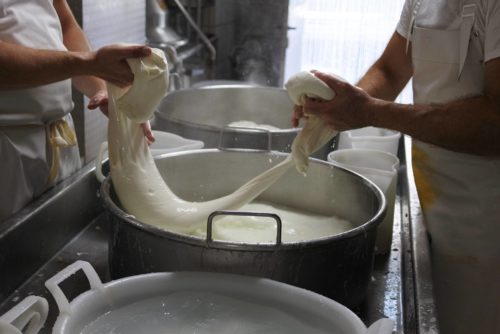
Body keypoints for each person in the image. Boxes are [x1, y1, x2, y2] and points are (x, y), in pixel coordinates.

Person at [292, 1, 500, 333]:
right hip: (433, 195)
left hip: (486, 225)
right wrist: (338, 105)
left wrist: (369, 112)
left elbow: (494, 123)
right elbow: (390, 69)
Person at [0, 0, 155, 222]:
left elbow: (65, 25)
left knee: (62, 242)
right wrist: (89, 62)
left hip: (59, 137)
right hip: (7, 150)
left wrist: (102, 90)